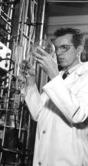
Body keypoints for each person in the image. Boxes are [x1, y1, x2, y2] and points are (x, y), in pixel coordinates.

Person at [24, 28, 88, 166]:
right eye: (57, 48)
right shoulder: (60, 78)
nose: (58, 53)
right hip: (44, 158)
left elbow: (78, 114)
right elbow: (38, 114)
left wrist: (53, 74)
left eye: (64, 48)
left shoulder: (85, 75)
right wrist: (31, 82)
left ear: (79, 49)